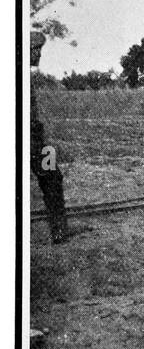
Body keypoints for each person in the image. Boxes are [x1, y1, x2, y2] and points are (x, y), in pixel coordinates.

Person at [29, 30, 69, 243]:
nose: (39, 55)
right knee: (53, 178)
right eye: (36, 50)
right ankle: (59, 232)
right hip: (31, 141)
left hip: (33, 139)